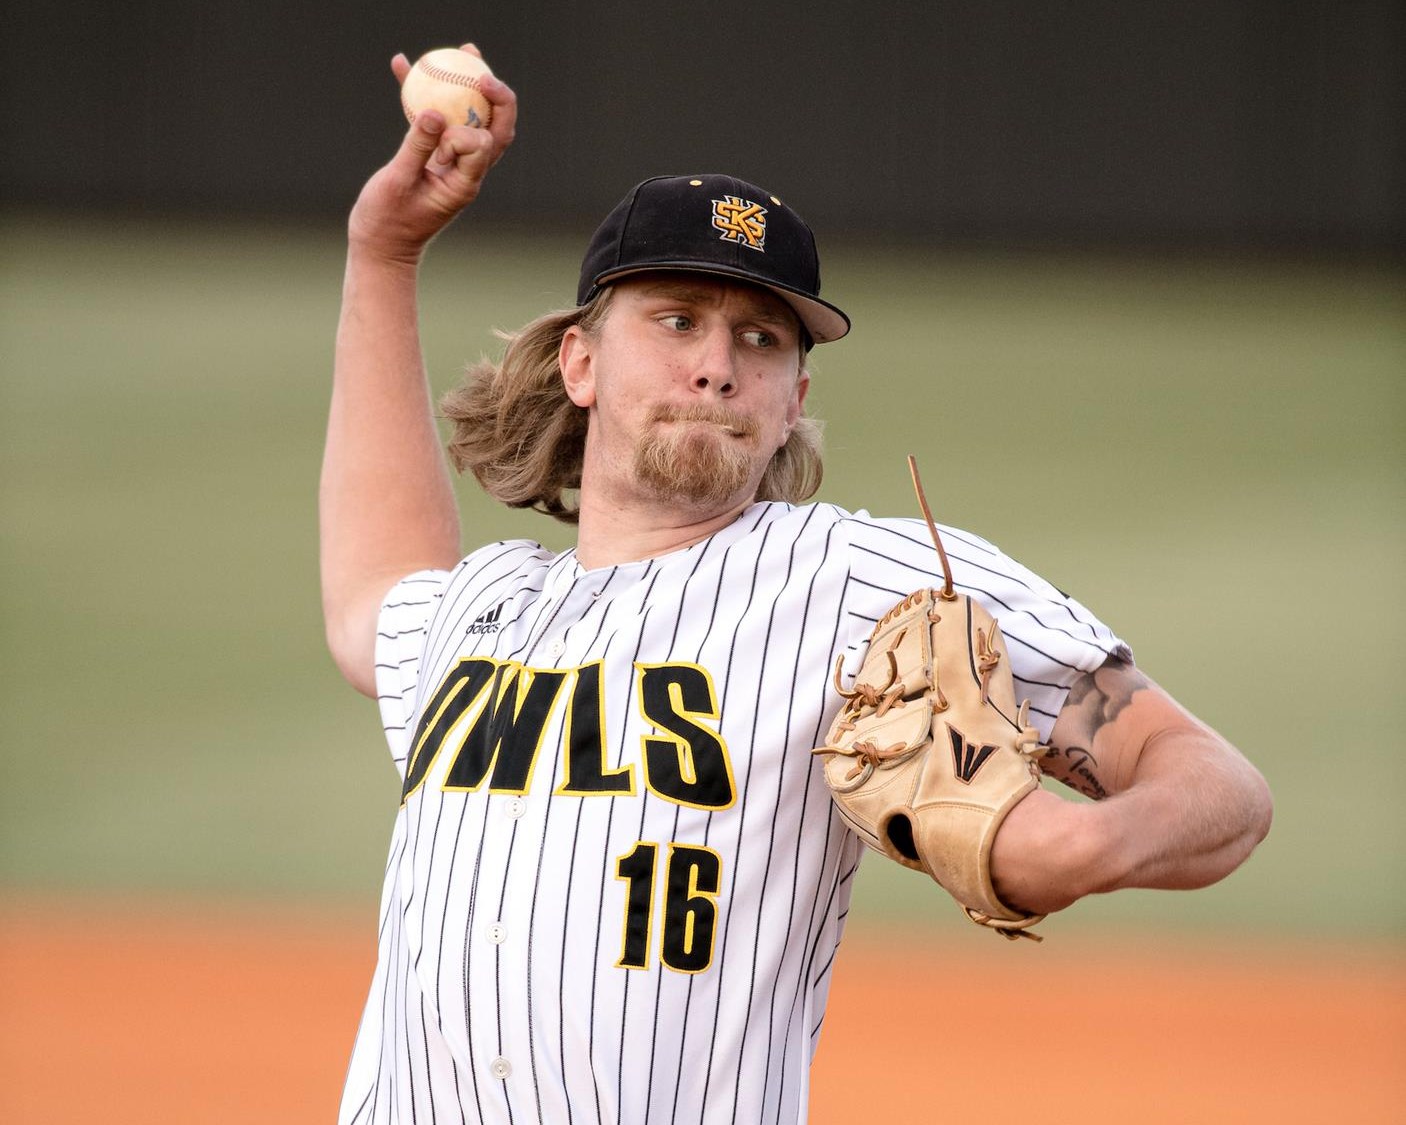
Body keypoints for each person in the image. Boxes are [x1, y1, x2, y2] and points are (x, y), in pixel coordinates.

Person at [321, 46, 1272, 1125]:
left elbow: (1217, 790)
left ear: (792, 398)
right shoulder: (481, 608)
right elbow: (372, 593)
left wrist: (1074, 849)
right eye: (675, 320)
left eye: (759, 338)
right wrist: (383, 252)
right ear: (580, 364)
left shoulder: (858, 579)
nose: (717, 363)